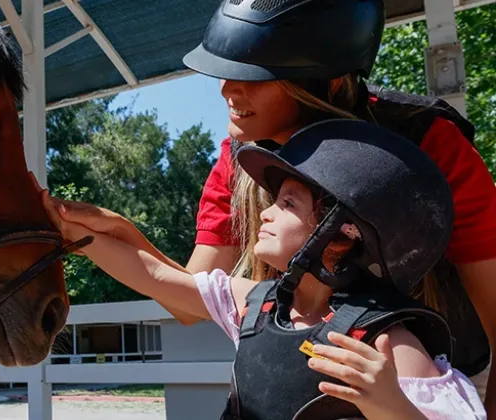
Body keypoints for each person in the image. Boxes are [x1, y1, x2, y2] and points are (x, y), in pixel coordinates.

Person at [53, 0, 496, 410]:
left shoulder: (430, 146)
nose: (226, 89)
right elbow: (188, 301)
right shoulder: (236, 158)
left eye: (255, 74)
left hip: (428, 389)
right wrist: (117, 231)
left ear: (331, 82)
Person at [42, 119, 487, 419]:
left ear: (342, 233)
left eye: (288, 203)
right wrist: (78, 231)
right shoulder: (256, 307)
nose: (268, 214)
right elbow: (155, 277)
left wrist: (395, 407)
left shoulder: (385, 340)